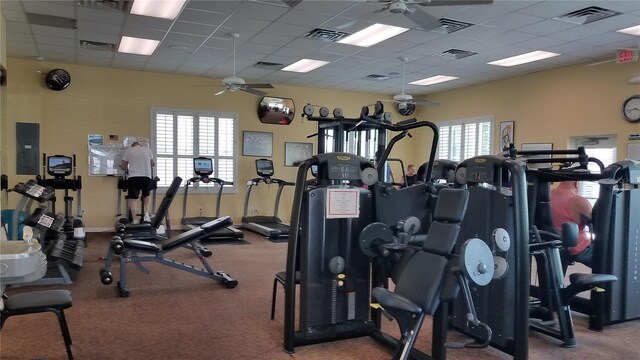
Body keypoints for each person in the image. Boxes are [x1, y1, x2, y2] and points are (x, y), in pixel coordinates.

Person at [550, 181, 593, 267]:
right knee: (609, 257)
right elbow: (599, 225)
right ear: (577, 183)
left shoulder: (546, 196)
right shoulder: (579, 201)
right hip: (577, 248)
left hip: (553, 245)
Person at [121, 142, 155, 224]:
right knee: (146, 196)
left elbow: (124, 166)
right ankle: (146, 216)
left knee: (133, 199)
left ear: (132, 146)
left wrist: (123, 167)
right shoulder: (147, 150)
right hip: (146, 176)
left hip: (133, 176)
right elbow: (152, 163)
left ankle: (135, 220)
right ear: (140, 145)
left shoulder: (128, 150)